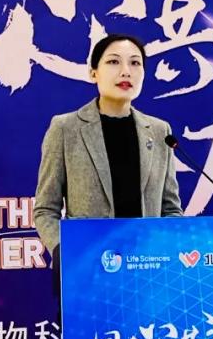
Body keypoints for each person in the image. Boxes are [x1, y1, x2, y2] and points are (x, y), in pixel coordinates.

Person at [33, 33, 183, 298]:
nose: (126, 71)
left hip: (148, 275)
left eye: (135, 63)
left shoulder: (160, 131)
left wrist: (164, 249)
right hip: (86, 271)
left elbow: (171, 209)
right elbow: (45, 209)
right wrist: (66, 250)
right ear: (93, 73)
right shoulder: (66, 128)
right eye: (114, 62)